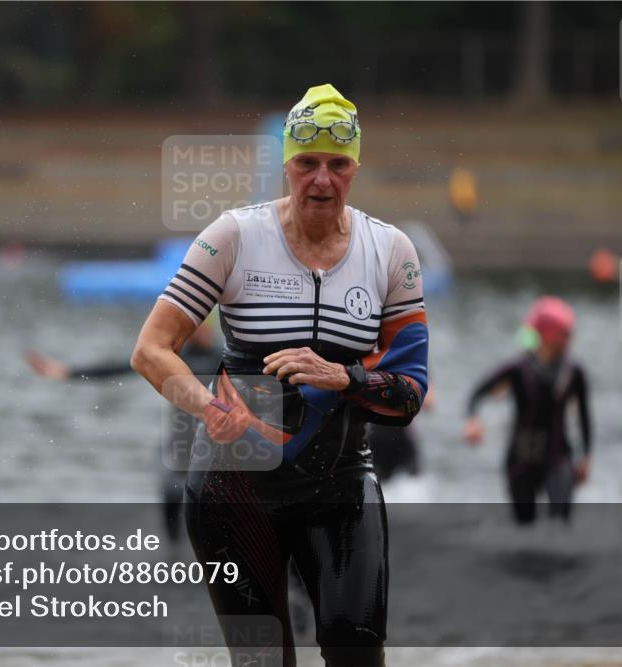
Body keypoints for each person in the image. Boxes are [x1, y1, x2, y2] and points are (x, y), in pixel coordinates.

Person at [131, 84, 429, 667]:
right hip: (233, 490)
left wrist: (343, 377)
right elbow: (150, 349)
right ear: (287, 165)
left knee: (358, 655)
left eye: (338, 165)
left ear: (356, 168)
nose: (322, 179)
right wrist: (208, 409)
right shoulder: (233, 237)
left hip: (342, 488)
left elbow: (411, 393)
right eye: (307, 163)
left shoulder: (391, 251)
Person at [26, 323, 222, 545]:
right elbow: (121, 366)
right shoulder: (174, 360)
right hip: (177, 449)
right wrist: (66, 372)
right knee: (172, 512)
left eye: (204, 327)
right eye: (194, 327)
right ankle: (172, 560)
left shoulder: (224, 360)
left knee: (210, 524)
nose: (200, 331)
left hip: (210, 452)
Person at [463, 297, 592, 525]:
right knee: (525, 526)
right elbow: (477, 393)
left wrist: (586, 458)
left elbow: (584, 417)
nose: (571, 339)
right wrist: (473, 421)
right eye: (566, 333)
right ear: (548, 334)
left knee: (560, 525)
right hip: (520, 459)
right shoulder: (517, 369)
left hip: (559, 456)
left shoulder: (574, 372)